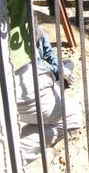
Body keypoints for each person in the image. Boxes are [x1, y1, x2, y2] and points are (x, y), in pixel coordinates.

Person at [17, 25, 81, 163]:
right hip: (32, 83)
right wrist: (56, 71)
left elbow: (51, 56)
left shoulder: (40, 33)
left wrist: (61, 69)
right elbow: (40, 66)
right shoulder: (23, 43)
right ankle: (17, 155)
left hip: (39, 77)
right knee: (70, 119)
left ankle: (56, 83)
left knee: (68, 63)